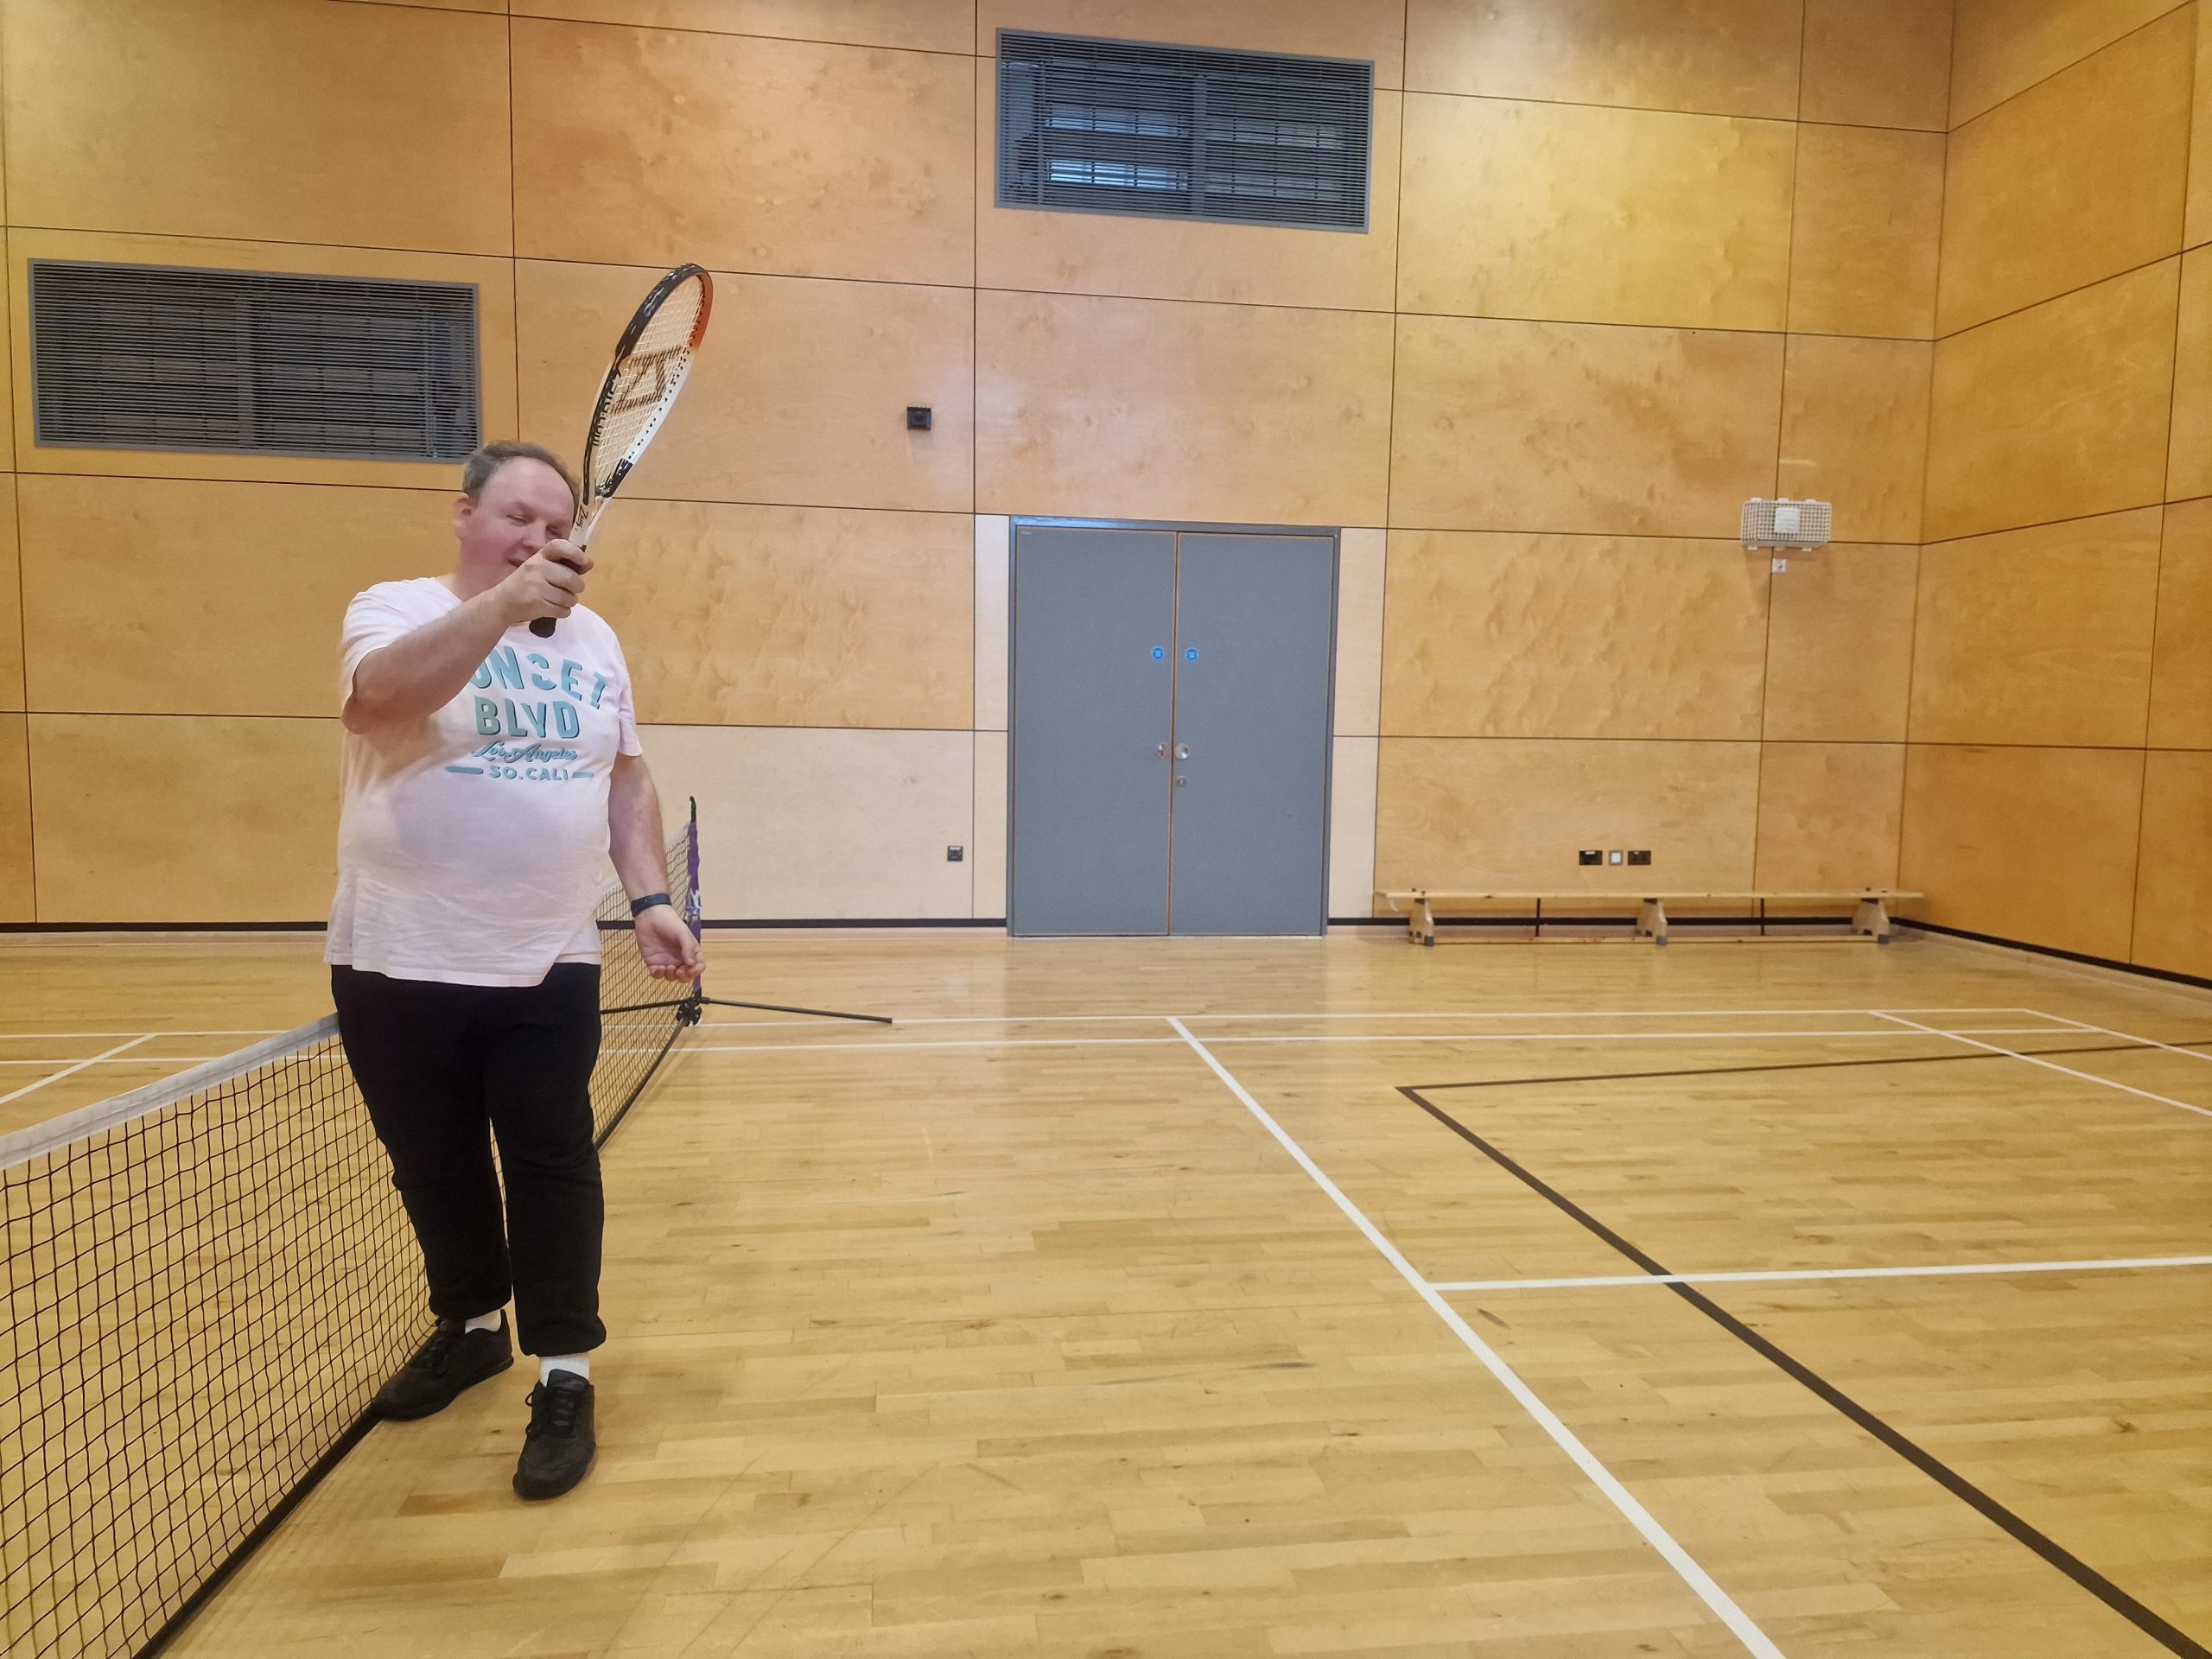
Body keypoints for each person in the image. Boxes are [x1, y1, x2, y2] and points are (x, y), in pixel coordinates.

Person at [327, 440, 702, 1500]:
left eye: (556, 525)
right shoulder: (394, 607)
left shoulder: (596, 640)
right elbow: (377, 702)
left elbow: (625, 778)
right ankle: (472, 1326)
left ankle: (565, 1372)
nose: (538, 539)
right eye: (516, 519)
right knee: (433, 1161)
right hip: (397, 953)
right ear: (465, 515)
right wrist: (500, 609)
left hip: (548, 953)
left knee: (551, 1163)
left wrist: (650, 898)